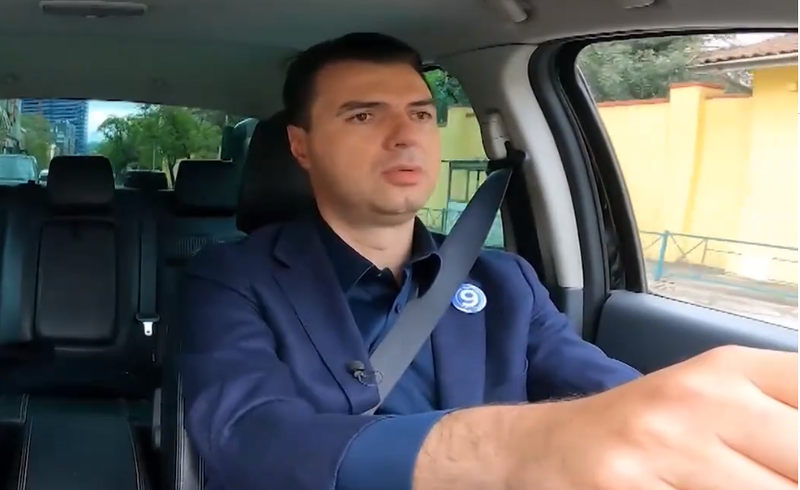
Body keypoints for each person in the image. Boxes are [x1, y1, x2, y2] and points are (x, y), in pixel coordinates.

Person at [178, 32, 798, 490]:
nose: (405, 135)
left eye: (421, 113)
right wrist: (513, 447)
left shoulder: (505, 282)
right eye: (364, 114)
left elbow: (611, 392)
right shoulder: (231, 278)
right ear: (300, 147)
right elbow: (247, 439)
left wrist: (681, 427)